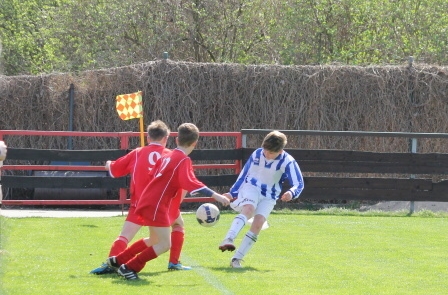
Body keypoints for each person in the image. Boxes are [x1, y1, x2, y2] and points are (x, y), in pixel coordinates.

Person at [107, 123, 231, 281]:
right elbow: (192, 182)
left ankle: (117, 260)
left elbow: (154, 176)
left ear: (177, 139)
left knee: (154, 239)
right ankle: (130, 267)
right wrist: (217, 196)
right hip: (157, 205)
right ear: (195, 143)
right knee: (165, 244)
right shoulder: (182, 160)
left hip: (148, 201)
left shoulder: (167, 155)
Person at [89, 120, 193, 273]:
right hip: (161, 205)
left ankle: (110, 263)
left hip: (139, 203)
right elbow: (183, 183)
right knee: (175, 226)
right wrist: (175, 205)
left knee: (125, 237)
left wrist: (109, 164)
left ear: (148, 138)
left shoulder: (137, 153)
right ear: (166, 139)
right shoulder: (171, 156)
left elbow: (115, 170)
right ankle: (173, 263)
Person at [218, 131, 304, 268]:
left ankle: (236, 259)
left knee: (258, 223)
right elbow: (244, 174)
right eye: (265, 150)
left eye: (271, 153)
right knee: (249, 209)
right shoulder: (257, 154)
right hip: (251, 187)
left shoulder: (288, 161)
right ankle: (229, 238)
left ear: (280, 151)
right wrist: (231, 193)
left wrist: (291, 193)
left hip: (270, 195)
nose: (267, 155)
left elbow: (299, 183)